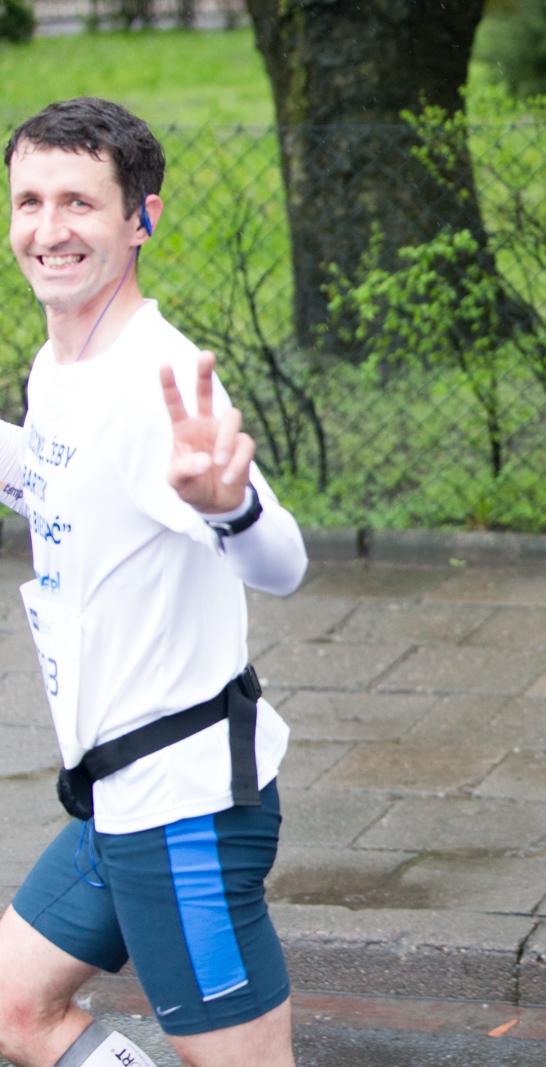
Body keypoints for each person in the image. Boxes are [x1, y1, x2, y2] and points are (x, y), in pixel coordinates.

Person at [0, 98, 307, 1067]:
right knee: (15, 1010)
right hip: (113, 797)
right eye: (29, 202)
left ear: (144, 219)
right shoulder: (61, 362)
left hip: (183, 809)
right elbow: (63, 474)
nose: (48, 231)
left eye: (80, 205)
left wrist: (230, 506)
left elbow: (285, 562)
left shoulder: (157, 378)